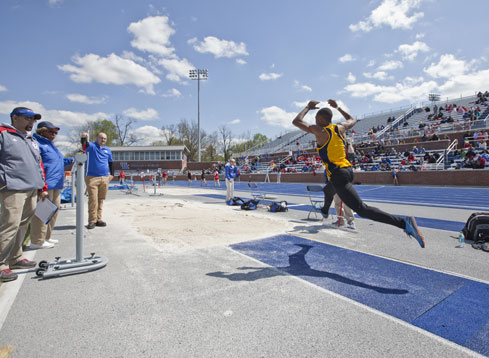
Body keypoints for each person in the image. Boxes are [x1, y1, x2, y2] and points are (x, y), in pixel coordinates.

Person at [292, 99, 425, 248]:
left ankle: (403, 223)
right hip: (348, 170)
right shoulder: (340, 127)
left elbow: (296, 121)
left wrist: (307, 107)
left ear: (321, 119)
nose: (315, 121)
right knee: (328, 189)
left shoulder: (320, 131)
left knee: (362, 209)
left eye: (316, 118)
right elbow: (352, 120)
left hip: (339, 175)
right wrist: (338, 108)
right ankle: (324, 210)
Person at [0, 107, 46, 282]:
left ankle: (15, 257)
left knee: (21, 224)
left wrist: (41, 185)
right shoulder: (3, 133)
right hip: (13, 188)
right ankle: (1, 263)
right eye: (27, 118)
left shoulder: (31, 139)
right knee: (9, 223)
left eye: (33, 119)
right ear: (15, 118)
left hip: (31, 188)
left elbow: (37, 163)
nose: (31, 122)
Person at [30, 121, 74, 249]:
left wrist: (71, 159)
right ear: (42, 131)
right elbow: (37, 165)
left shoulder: (51, 145)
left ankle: (46, 237)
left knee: (54, 211)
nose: (54, 134)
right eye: (51, 131)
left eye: (56, 132)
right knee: (42, 213)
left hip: (56, 184)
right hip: (46, 184)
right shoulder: (37, 144)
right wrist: (40, 186)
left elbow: (57, 162)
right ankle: (37, 241)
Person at [81, 132, 113, 229]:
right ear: (96, 138)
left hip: (104, 177)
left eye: (105, 138)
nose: (103, 140)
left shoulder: (108, 150)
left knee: (100, 199)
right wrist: (84, 138)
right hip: (92, 177)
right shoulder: (91, 147)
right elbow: (84, 144)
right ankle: (92, 220)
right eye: (101, 138)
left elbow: (111, 162)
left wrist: (112, 174)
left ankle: (98, 219)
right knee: (93, 199)